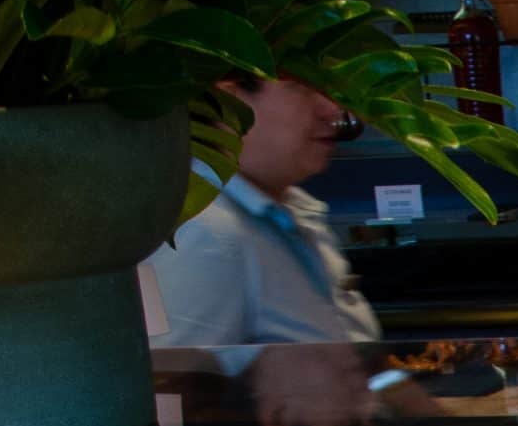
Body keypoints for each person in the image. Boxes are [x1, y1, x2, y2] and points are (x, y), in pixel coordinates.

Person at [146, 76, 381, 348]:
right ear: (230, 102)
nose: (333, 110)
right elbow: (168, 372)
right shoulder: (198, 231)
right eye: (302, 86)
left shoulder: (292, 210)